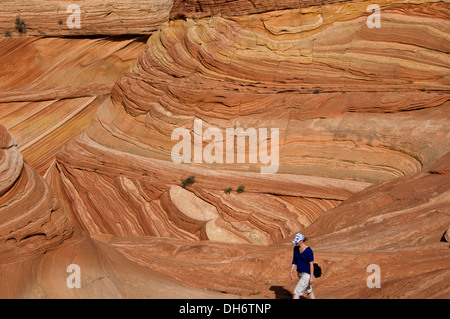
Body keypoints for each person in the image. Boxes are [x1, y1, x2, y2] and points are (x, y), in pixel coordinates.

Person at [289, 232, 316, 299]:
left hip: (307, 274)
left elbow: (311, 264)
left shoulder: (308, 251)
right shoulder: (295, 248)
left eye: (297, 242)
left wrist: (311, 277)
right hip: (300, 273)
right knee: (308, 290)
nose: (295, 243)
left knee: (296, 292)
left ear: (301, 241)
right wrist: (291, 271)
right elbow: (294, 260)